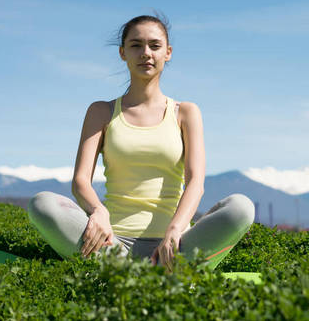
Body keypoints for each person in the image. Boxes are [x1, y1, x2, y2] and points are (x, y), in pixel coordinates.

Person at [27, 14, 255, 272]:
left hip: (174, 244)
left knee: (241, 208)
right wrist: (98, 212)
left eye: (154, 46)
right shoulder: (101, 112)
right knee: (42, 203)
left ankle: (158, 271)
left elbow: (195, 183)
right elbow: (80, 182)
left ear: (167, 53)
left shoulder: (185, 113)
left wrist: (175, 230)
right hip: (111, 243)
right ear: (123, 53)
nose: (146, 53)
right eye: (136, 45)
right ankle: (152, 275)